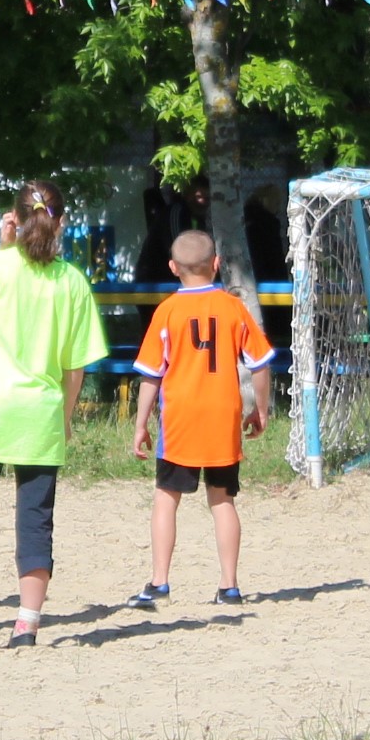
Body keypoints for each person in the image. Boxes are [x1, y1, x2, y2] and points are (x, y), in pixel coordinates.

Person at [0, 179, 108, 652]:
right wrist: (66, 416)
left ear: (14, 218)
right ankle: (26, 627)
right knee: (35, 520)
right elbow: (75, 367)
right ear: (62, 222)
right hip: (40, 412)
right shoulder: (71, 282)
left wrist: (3, 246)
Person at [128, 228, 273, 606]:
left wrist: (141, 424)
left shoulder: (167, 312)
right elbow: (260, 364)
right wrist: (260, 408)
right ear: (217, 264)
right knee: (222, 500)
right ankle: (229, 586)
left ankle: (159, 582)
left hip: (180, 419)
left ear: (173, 267)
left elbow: (151, 375)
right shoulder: (233, 307)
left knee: (166, 498)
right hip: (223, 416)